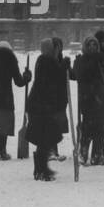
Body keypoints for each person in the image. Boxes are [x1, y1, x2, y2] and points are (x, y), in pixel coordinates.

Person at [25, 39, 68, 181]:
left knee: (44, 137)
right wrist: (65, 65)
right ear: (50, 50)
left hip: (38, 105)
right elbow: (57, 77)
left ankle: (40, 169)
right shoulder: (48, 61)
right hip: (42, 106)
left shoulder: (41, 60)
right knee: (47, 137)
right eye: (55, 48)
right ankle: (42, 169)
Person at [72, 36, 104, 165]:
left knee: (99, 127)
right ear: (86, 46)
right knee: (88, 126)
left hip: (100, 97)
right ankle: (83, 153)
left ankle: (98, 154)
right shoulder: (81, 60)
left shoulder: (101, 58)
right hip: (87, 98)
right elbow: (79, 75)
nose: (92, 48)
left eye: (95, 45)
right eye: (90, 45)